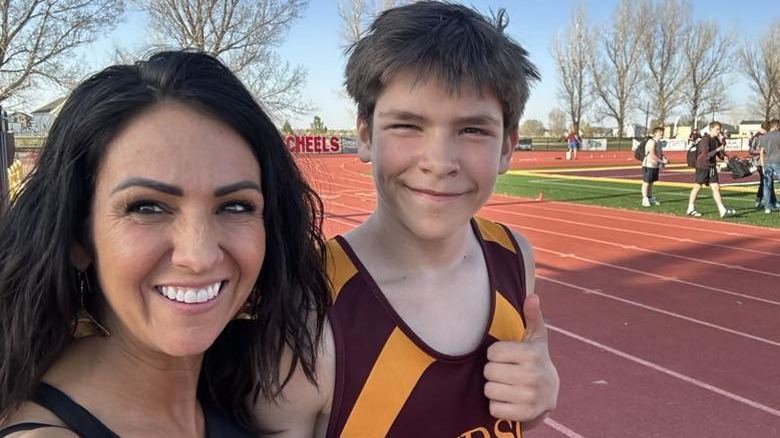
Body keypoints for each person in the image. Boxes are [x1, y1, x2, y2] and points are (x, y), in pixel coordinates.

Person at [253, 2, 559, 437]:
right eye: (407, 126)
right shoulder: (310, 310)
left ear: (507, 147)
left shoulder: (513, 256)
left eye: (472, 130)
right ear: (365, 136)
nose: (438, 162)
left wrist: (538, 401)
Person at [0, 50, 330, 436]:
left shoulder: (243, 387)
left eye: (236, 206)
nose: (199, 255)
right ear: (78, 236)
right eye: (147, 207)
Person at [686, 121, 735, 218]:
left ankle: (722, 210)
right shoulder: (705, 140)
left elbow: (719, 154)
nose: (718, 131)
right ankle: (690, 208)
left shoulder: (716, 140)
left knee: (716, 187)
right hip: (703, 166)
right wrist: (718, 149)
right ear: (711, 129)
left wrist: (724, 156)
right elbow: (706, 155)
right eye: (717, 129)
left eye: (719, 129)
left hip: (712, 167)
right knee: (697, 187)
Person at [749, 121, 777, 209]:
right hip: (760, 162)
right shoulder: (757, 137)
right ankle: (761, 200)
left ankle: (771, 201)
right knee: (765, 182)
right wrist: (761, 152)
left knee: (767, 181)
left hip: (767, 161)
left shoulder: (766, 136)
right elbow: (751, 150)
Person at [640, 126, 668, 207]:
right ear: (655, 133)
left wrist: (663, 159)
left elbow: (660, 153)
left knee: (651, 182)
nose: (661, 133)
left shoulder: (659, 142)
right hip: (648, 165)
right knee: (646, 182)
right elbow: (652, 154)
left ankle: (649, 197)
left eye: (662, 132)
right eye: (659, 132)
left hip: (655, 165)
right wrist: (661, 161)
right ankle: (644, 199)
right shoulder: (651, 142)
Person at [757, 119, 780, 214]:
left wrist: (762, 165)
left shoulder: (763, 137)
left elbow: (761, 152)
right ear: (777, 126)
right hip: (778, 161)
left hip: (767, 162)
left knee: (767, 185)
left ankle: (767, 206)